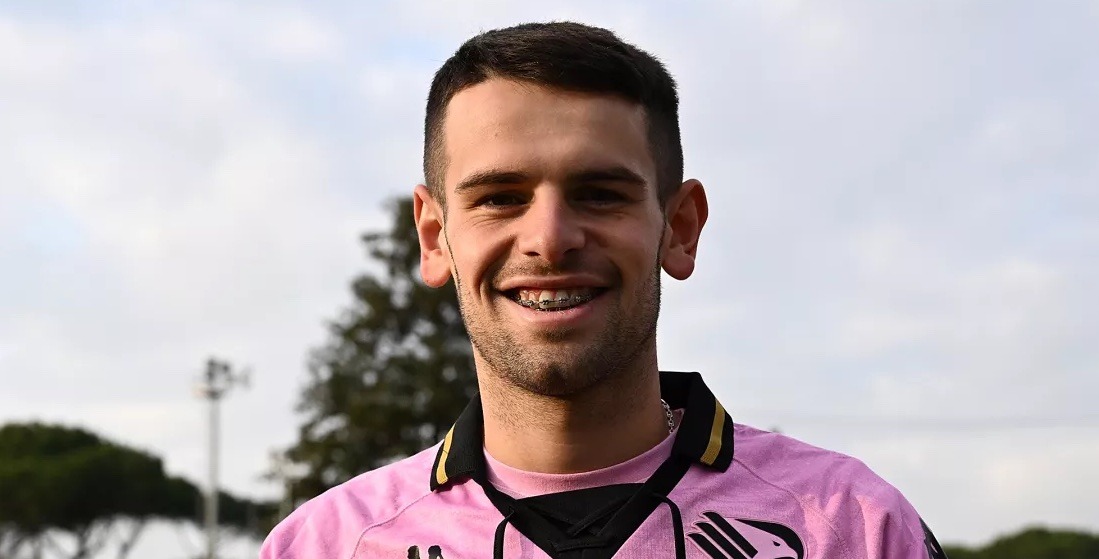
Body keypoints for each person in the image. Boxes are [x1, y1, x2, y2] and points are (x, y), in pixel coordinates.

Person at [261, 21, 948, 559]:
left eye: (599, 193)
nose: (550, 237)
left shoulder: (855, 527)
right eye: (500, 197)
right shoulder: (324, 544)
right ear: (435, 236)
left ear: (679, 228)